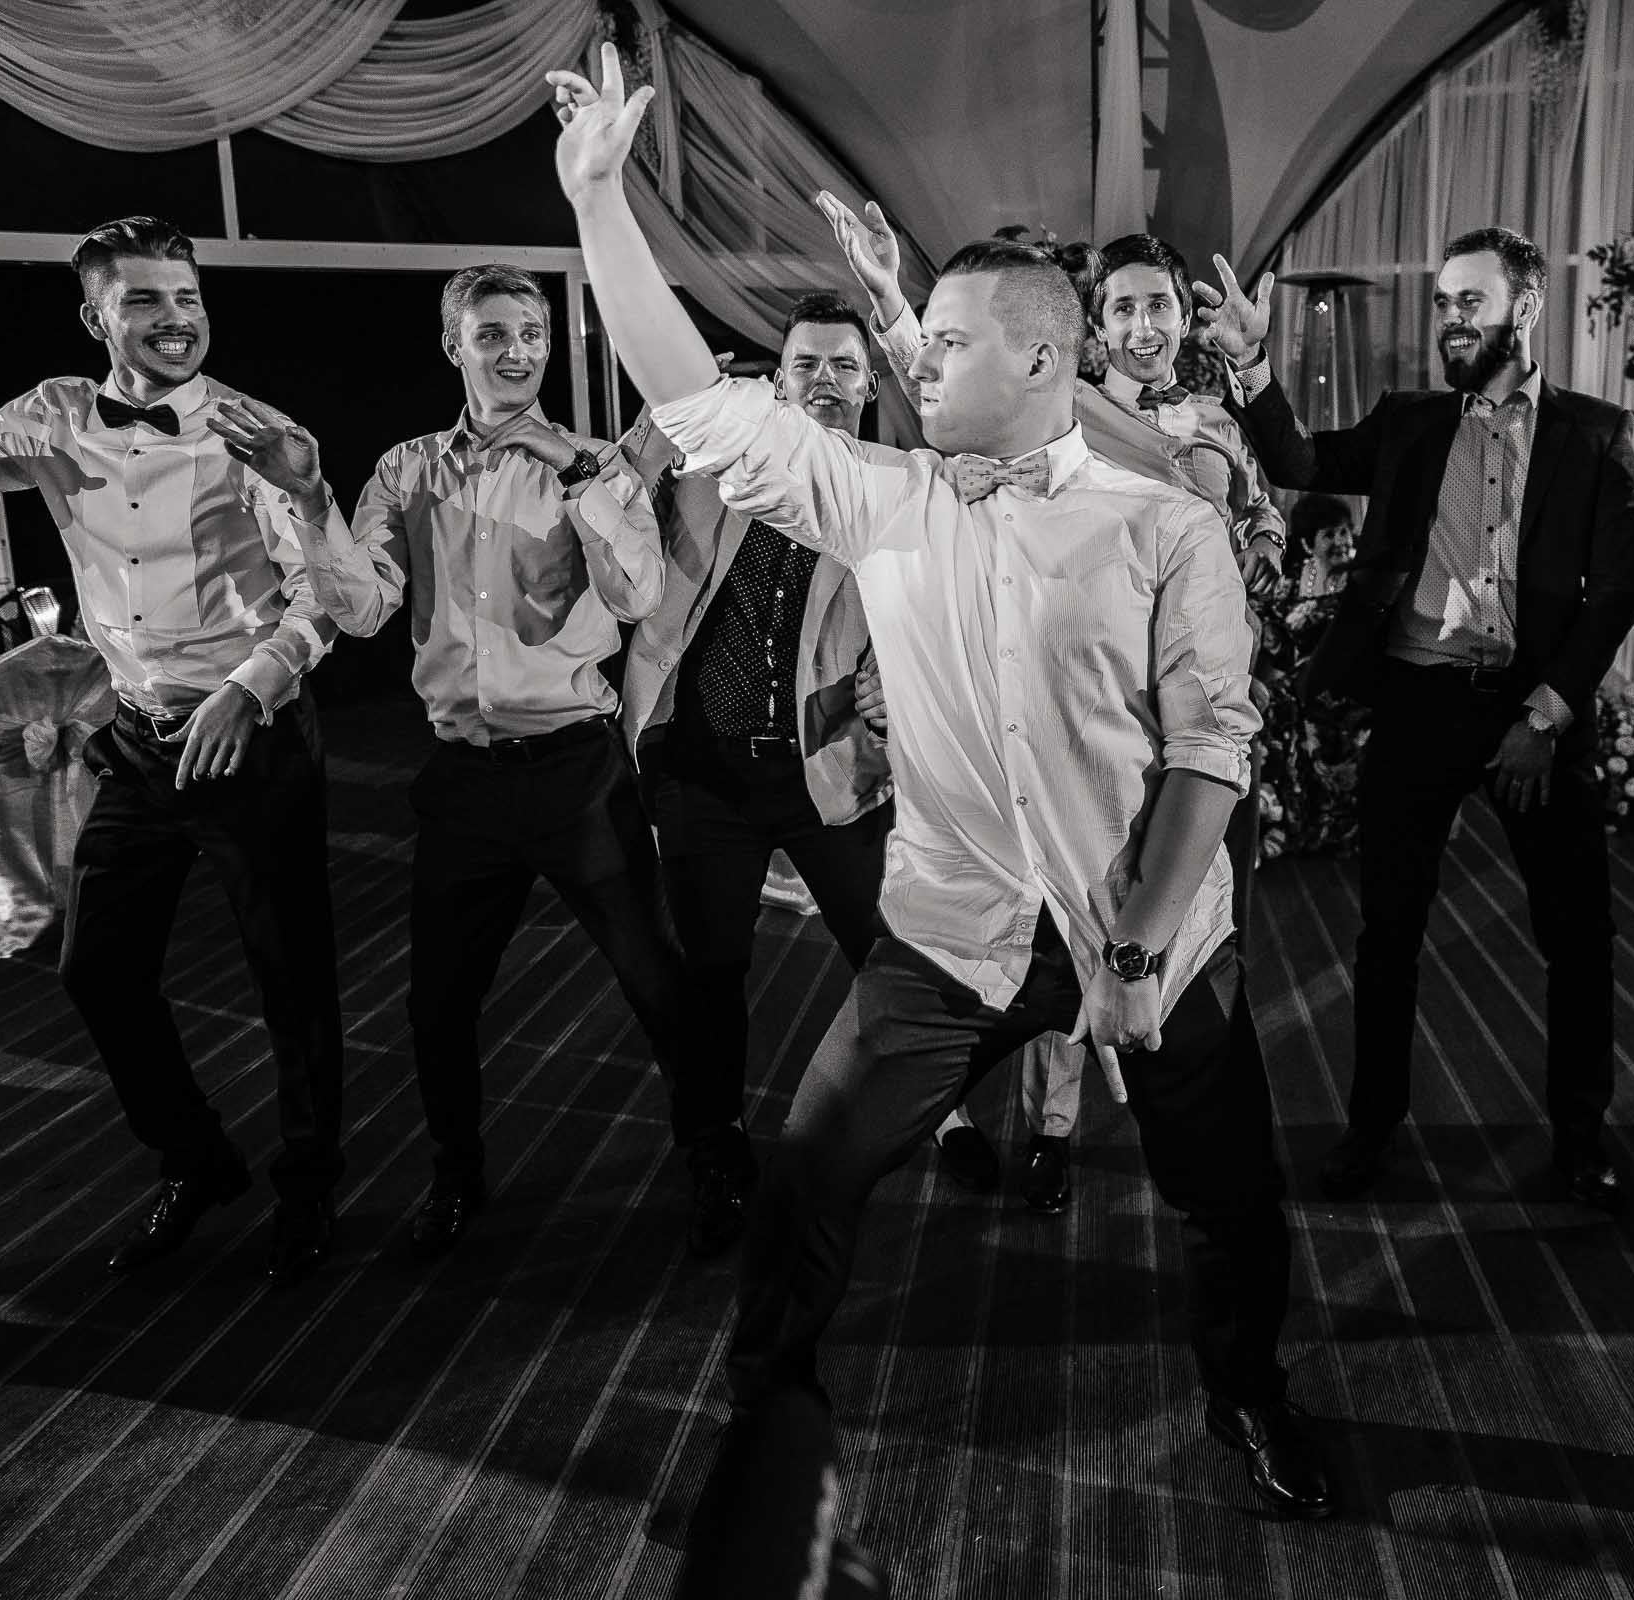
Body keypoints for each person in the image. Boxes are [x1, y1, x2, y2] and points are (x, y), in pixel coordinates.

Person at [549, 47, 1334, 1520]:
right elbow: (692, 400)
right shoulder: (885, 501)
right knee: (806, 1178)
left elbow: (1209, 754)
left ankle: (1250, 1396)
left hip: (1157, 929)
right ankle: (771, 1409)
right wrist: (600, 203)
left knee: (1229, 1198)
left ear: (1042, 360)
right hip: (947, 933)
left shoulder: (1165, 528)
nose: (915, 364)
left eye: (945, 342)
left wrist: (1140, 954)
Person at [0, 216, 347, 1284]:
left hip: (255, 735)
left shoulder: (256, 432)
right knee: (96, 968)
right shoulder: (53, 416)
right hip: (138, 744)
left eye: (186, 298)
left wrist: (250, 686)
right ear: (96, 316)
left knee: (294, 982)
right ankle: (194, 1157)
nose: (174, 319)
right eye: (144, 300)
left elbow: (330, 596)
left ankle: (310, 1186)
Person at [821, 207, 1291, 1216]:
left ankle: (1188, 1134)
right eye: (1120, 306)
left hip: (1197, 713)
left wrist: (1249, 394)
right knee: (1052, 919)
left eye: (1157, 303)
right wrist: (892, 303)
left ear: (1180, 318)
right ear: (1090, 326)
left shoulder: (1213, 424)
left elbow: (1267, 524)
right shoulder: (1064, 408)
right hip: (1092, 701)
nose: (1142, 323)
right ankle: (1051, 1130)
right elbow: (950, 390)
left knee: (1190, 938)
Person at [1199, 226, 1634, 1210]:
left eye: (1469, 303)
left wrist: (1548, 711)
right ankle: (1371, 1126)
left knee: (1580, 933)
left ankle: (1580, 1133)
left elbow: (1615, 591)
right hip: (1419, 698)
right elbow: (1300, 455)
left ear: (1525, 310)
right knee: (1388, 930)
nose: (1449, 319)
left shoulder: (1596, 434)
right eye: (1442, 303)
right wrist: (1253, 362)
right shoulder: (1408, 423)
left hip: (1536, 710)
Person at [277, 264, 705, 1259]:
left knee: (657, 984)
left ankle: (713, 1152)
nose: (515, 350)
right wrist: (308, 502)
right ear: (453, 345)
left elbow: (638, 596)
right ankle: (456, 1174)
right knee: (436, 1005)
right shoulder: (404, 468)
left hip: (576, 773)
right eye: (493, 333)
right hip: (464, 782)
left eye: (531, 333)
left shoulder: (593, 461)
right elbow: (364, 607)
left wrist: (586, 480)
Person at [617, 293, 895, 1253]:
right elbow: (615, 558)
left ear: (870, 384)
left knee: (893, 961)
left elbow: (940, 606)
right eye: (806, 364)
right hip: (703, 770)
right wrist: (646, 443)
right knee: (712, 976)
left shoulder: (892, 487)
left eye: (844, 366)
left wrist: (889, 676)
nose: (825, 381)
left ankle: (907, 1120)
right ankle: (715, 1149)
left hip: (828, 771)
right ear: (776, 379)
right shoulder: (705, 467)